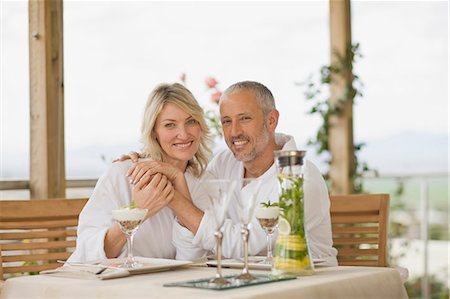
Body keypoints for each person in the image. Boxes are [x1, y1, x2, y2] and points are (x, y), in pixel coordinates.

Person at [124, 81, 338, 266]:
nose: (234, 131)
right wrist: (150, 155)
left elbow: (245, 246)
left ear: (271, 120)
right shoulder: (223, 164)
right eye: (226, 121)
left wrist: (175, 199)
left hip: (304, 285)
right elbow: (197, 236)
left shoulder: (300, 178)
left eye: (244, 118)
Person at [68, 83, 212, 263]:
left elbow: (194, 262)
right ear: (154, 132)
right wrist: (136, 213)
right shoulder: (122, 174)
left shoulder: (204, 182)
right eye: (170, 125)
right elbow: (87, 253)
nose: (183, 134)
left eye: (191, 121)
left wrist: (180, 194)